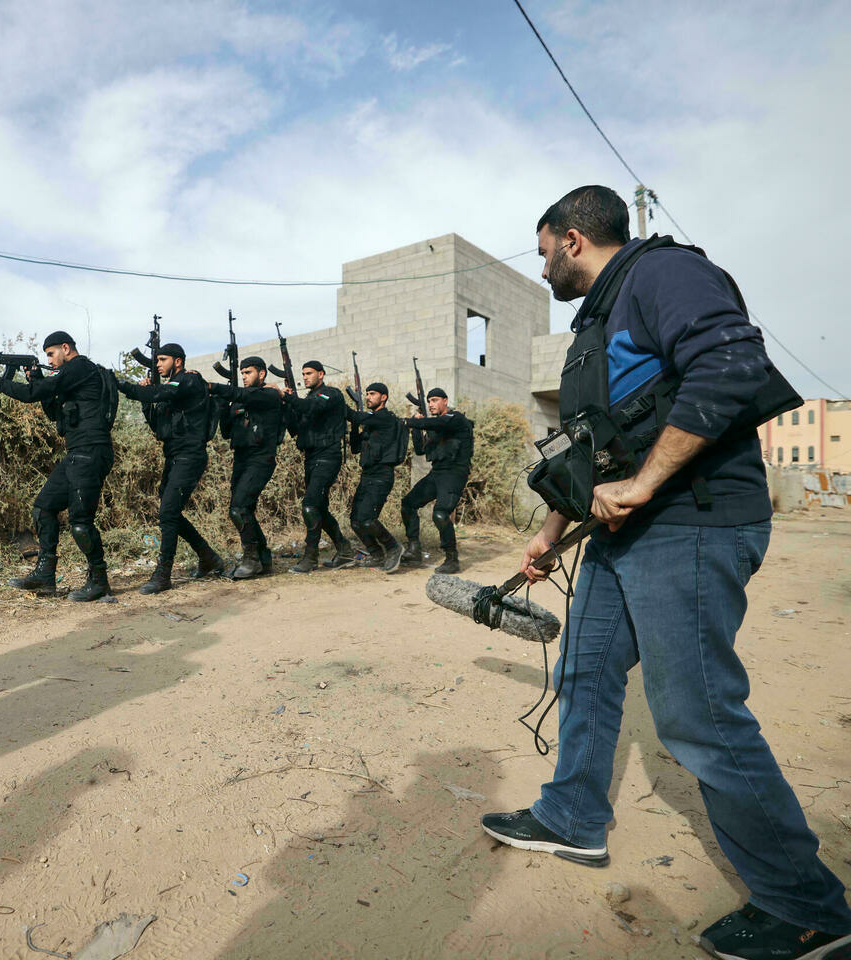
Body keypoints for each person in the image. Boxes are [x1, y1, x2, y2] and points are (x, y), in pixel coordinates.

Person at [480, 185, 851, 960]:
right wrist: (551, 533)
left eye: (542, 249)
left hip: (692, 521)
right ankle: (572, 816)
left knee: (695, 714)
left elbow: (733, 364)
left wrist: (648, 482)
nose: (542, 265)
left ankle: (808, 906)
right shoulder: (594, 323)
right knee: (584, 672)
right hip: (624, 535)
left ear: (573, 238)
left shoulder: (665, 275)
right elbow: (591, 448)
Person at [0, 331, 116, 602]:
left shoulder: (80, 367)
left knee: (81, 524)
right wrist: (36, 378)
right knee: (44, 508)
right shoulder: (70, 377)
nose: (50, 359)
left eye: (51, 354)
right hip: (77, 453)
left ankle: (99, 581)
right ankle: (45, 576)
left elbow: (29, 395)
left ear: (65, 348)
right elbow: (53, 412)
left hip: (91, 452)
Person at [116, 343, 222, 593]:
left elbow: (160, 394)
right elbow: (157, 426)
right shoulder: (169, 391)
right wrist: (145, 400)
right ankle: (209, 557)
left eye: (162, 359)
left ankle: (163, 574)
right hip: (173, 455)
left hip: (190, 455)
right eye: (157, 360)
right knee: (169, 512)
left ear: (178, 361)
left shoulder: (189, 380)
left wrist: (122, 384)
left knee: (168, 513)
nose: (158, 364)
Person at [274, 360, 355, 572]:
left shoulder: (331, 394)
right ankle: (345, 550)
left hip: (328, 457)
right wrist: (286, 405)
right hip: (311, 458)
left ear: (321, 374)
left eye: (309, 373)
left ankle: (310, 559)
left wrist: (288, 397)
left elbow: (311, 406)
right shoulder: (308, 398)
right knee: (319, 507)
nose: (305, 377)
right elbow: (295, 427)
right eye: (303, 374)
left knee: (310, 505)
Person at [206, 356, 283, 580]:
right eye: (242, 373)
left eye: (248, 372)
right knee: (242, 509)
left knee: (239, 509)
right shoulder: (240, 401)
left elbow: (243, 394)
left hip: (261, 459)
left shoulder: (268, 395)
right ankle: (263, 558)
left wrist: (213, 386)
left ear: (262, 374)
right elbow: (227, 432)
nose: (244, 377)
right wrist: (221, 404)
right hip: (241, 458)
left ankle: (251, 560)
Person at [400, 387, 472, 574]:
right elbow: (420, 450)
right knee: (408, 503)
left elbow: (440, 423)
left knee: (440, 514)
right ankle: (414, 548)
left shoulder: (456, 419)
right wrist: (415, 426)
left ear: (445, 401)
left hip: (455, 473)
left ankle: (452, 559)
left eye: (435, 400)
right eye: (429, 401)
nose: (431, 404)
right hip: (437, 473)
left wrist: (410, 422)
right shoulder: (433, 425)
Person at [343, 382, 404, 572]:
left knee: (368, 518)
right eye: (367, 394)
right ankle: (376, 553)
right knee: (356, 520)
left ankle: (394, 547)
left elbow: (356, 415)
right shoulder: (371, 423)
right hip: (367, 475)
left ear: (383, 397)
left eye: (372, 394)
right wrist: (354, 427)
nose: (368, 397)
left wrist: (339, 405)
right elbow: (355, 448)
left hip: (382, 475)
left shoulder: (385, 418)